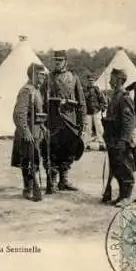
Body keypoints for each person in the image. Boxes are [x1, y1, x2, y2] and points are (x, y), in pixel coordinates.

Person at [40, 50, 86, 194]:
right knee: (51, 150)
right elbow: (40, 100)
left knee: (68, 150)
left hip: (69, 120)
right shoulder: (48, 79)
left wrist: (82, 123)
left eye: (60, 60)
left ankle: (63, 180)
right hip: (53, 121)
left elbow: (81, 102)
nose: (57, 63)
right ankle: (52, 181)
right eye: (55, 60)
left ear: (65, 61)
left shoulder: (73, 78)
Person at [11, 63, 47, 202]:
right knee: (28, 160)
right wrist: (25, 131)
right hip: (28, 132)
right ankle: (28, 188)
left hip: (37, 131)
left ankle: (33, 186)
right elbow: (19, 113)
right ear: (33, 75)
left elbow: (37, 112)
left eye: (43, 75)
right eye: (40, 75)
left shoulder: (36, 90)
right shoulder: (27, 90)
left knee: (35, 160)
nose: (43, 78)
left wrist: (43, 127)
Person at [101, 68, 136, 208]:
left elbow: (129, 122)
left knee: (125, 167)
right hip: (112, 138)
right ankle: (121, 195)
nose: (110, 81)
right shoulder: (115, 96)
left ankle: (126, 197)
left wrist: (124, 140)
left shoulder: (124, 97)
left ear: (119, 80)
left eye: (112, 78)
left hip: (120, 139)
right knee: (116, 167)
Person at [83, 75, 107, 151]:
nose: (91, 82)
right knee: (87, 129)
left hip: (96, 111)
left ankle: (102, 144)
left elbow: (103, 100)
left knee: (99, 128)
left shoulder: (98, 90)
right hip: (88, 112)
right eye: (89, 81)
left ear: (94, 81)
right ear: (87, 81)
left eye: (92, 81)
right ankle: (87, 144)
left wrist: (102, 109)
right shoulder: (84, 90)